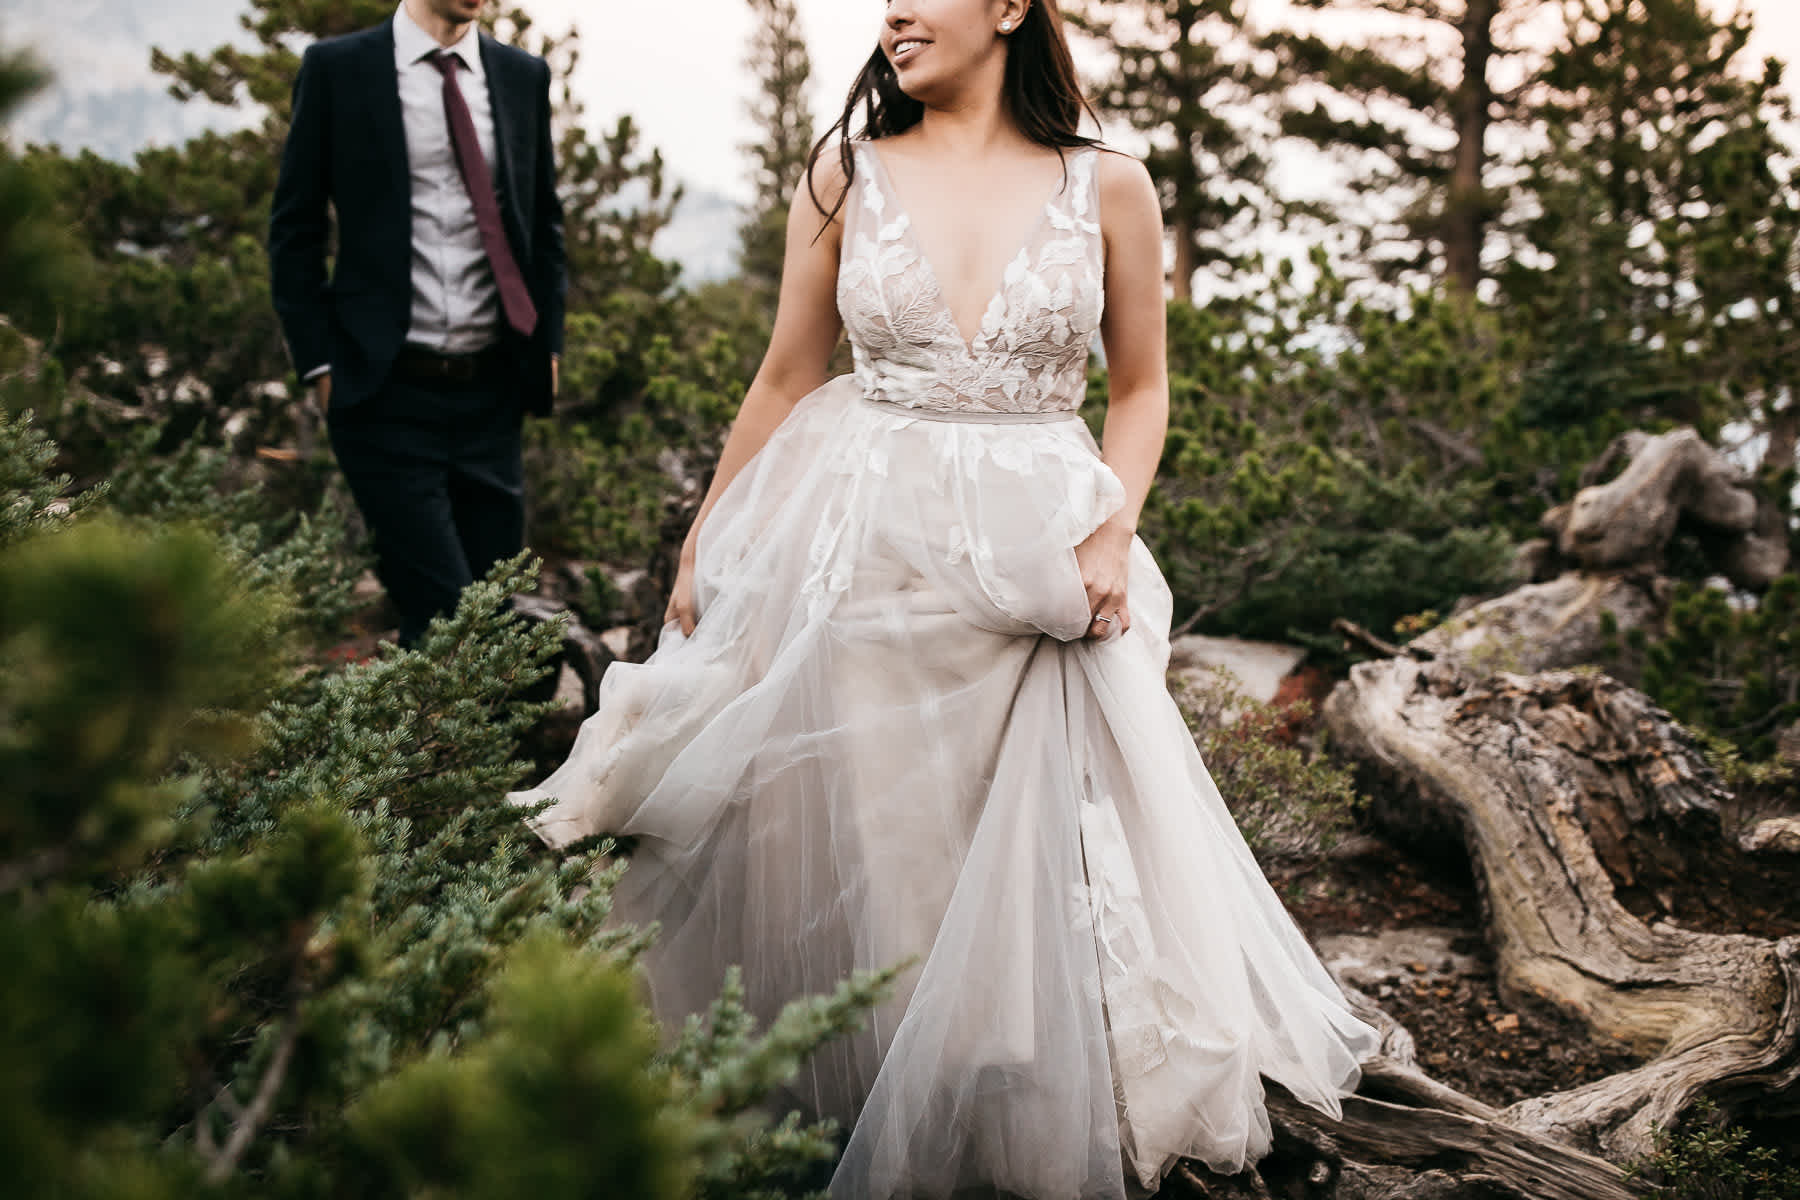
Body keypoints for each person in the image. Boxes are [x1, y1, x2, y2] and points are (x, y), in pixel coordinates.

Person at [509, 2, 1377, 1195]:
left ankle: (1015, 1120)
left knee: (1035, 850)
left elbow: (1140, 390)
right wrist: (709, 533)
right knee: (885, 845)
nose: (894, 15)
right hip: (860, 536)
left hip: (1041, 551)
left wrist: (1113, 530)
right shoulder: (844, 171)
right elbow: (784, 374)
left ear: (1011, 6)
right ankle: (881, 1118)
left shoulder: (1110, 184)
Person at [269, 0, 565, 648]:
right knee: (441, 610)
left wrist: (548, 346)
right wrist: (320, 367)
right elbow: (295, 231)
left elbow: (543, 224)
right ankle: (415, 746)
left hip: (492, 392)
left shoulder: (522, 75)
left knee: (491, 605)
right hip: (384, 391)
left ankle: (454, 747)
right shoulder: (338, 69)